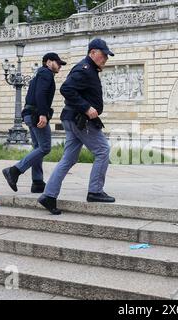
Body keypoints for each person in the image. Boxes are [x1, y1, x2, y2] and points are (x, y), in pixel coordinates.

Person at [38, 38, 115, 215]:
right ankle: (95, 191)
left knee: (68, 158)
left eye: (107, 56)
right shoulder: (85, 69)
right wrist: (87, 108)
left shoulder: (89, 69)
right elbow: (66, 89)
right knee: (103, 150)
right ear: (93, 52)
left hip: (72, 118)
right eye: (103, 55)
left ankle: (48, 195)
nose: (105, 59)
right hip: (80, 120)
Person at [2, 53, 66, 193]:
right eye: (58, 63)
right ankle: (14, 171)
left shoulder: (38, 75)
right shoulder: (46, 73)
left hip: (30, 114)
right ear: (48, 62)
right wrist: (43, 114)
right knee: (45, 148)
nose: (60, 66)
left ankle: (37, 182)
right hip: (37, 114)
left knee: (38, 148)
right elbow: (41, 94)